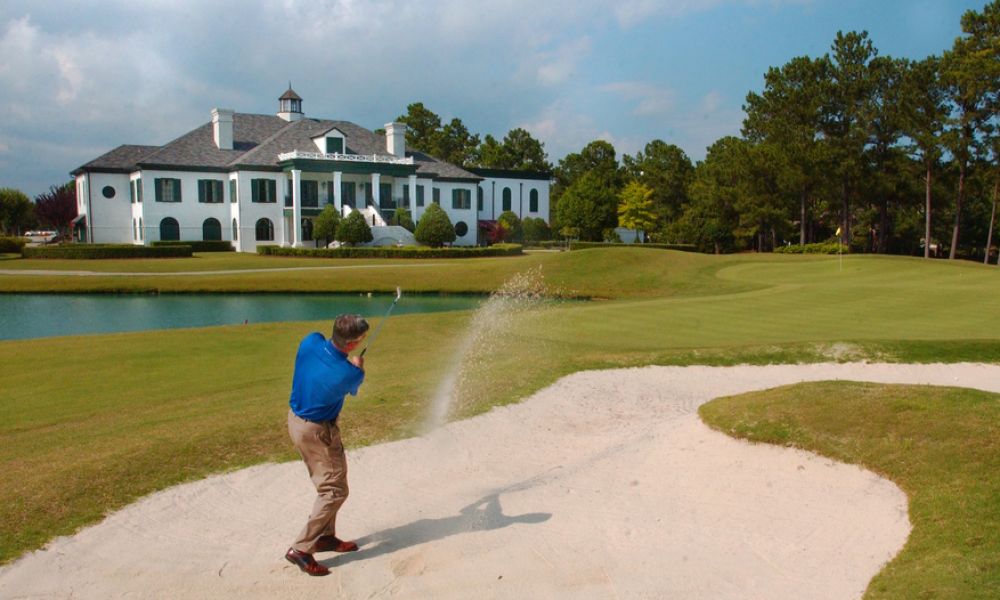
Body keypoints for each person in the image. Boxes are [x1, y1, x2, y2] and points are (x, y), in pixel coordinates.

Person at [284, 314, 369, 576]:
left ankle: (325, 537)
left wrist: (350, 365)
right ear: (353, 344)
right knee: (334, 491)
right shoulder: (349, 373)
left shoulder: (310, 340)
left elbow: (325, 353)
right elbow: (352, 385)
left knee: (334, 482)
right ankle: (301, 548)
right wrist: (357, 367)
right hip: (317, 432)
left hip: (296, 421)